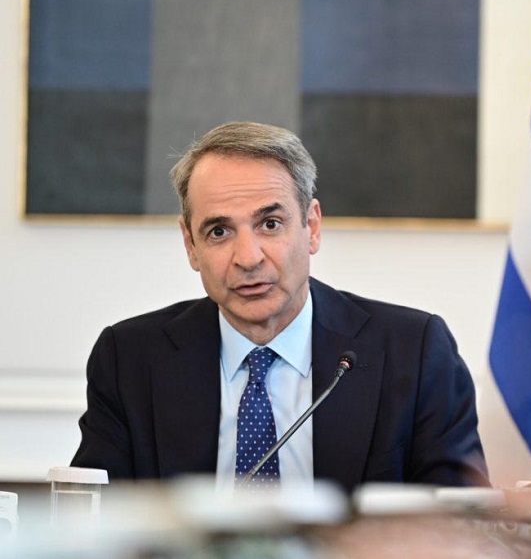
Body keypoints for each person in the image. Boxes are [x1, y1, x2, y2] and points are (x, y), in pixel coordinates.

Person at [71, 121, 488, 491]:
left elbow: (460, 524)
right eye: (219, 232)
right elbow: (91, 522)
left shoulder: (413, 351)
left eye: (270, 224)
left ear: (312, 227)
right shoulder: (130, 359)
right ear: (190, 245)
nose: (248, 257)